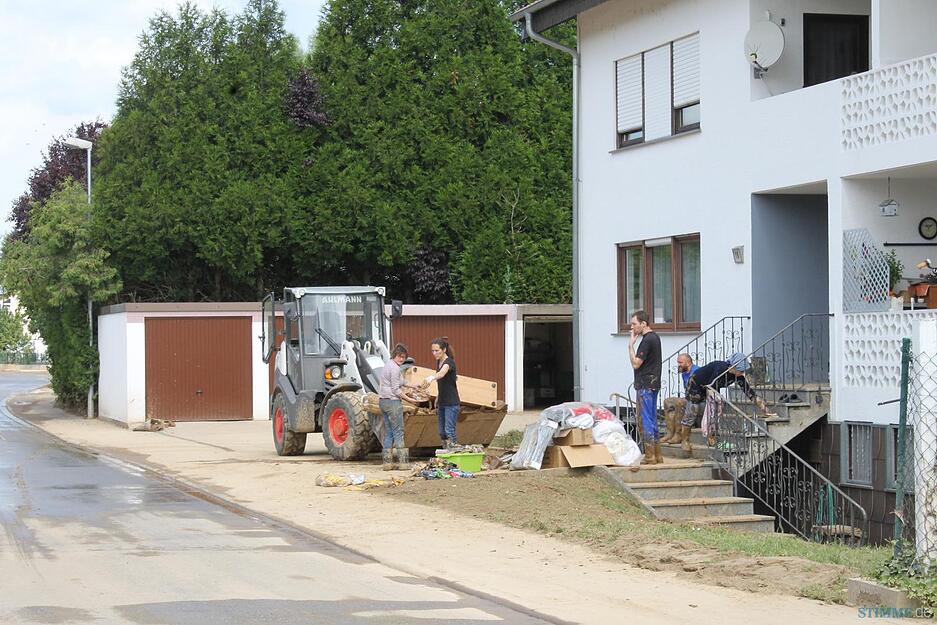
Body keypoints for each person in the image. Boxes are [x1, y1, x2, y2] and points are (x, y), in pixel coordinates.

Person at [684, 352, 773, 447]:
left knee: (715, 410)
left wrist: (765, 409)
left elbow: (750, 393)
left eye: (743, 371)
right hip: (696, 383)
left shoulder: (738, 376)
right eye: (740, 370)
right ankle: (684, 441)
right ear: (733, 367)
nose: (742, 373)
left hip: (711, 387)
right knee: (692, 411)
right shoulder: (720, 368)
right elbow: (711, 385)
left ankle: (711, 437)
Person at [629, 310, 663, 465]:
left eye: (634, 324)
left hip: (645, 384)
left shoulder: (647, 340)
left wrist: (630, 346)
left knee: (645, 420)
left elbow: (636, 363)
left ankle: (650, 456)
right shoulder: (655, 338)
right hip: (653, 384)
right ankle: (657, 455)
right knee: (652, 418)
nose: (632, 327)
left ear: (643, 323)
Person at [378, 343, 418, 470]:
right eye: (400, 357)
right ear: (395, 355)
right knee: (399, 432)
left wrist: (413, 385)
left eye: (404, 357)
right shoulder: (395, 368)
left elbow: (399, 381)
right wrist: (409, 399)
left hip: (383, 401)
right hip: (393, 402)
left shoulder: (388, 365)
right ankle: (403, 463)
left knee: (389, 431)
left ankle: (387, 463)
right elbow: (396, 389)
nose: (402, 359)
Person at [423, 337, 460, 449]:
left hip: (452, 403)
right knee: (442, 432)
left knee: (449, 430)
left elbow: (442, 373)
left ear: (444, 349)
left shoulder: (449, 362)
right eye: (432, 351)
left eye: (437, 351)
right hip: (443, 403)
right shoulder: (438, 361)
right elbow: (444, 383)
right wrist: (438, 396)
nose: (434, 353)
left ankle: (454, 452)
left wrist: (431, 378)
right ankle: (446, 452)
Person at [661, 353, 699, 445]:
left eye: (680, 362)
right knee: (667, 402)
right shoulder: (684, 374)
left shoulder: (697, 372)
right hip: (689, 398)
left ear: (688, 362)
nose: (678, 365)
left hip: (698, 400)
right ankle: (670, 433)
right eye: (678, 362)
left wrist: (687, 398)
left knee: (679, 402)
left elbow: (699, 391)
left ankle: (678, 434)